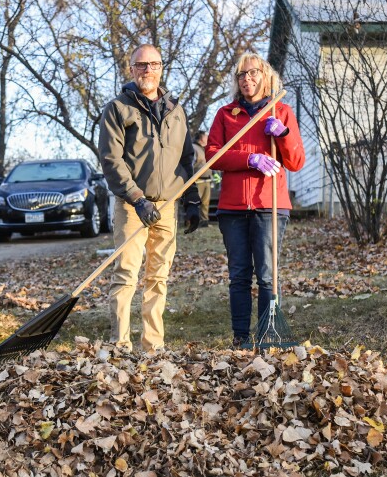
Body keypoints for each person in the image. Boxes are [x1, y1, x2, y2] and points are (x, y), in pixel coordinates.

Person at [98, 43, 202, 352]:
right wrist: (136, 198)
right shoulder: (118, 108)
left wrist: (193, 199)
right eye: (141, 65)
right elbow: (111, 159)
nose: (148, 70)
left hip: (167, 206)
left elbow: (187, 160)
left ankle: (152, 345)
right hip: (133, 207)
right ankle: (120, 345)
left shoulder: (176, 110)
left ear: (161, 69)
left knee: (158, 277)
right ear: (131, 70)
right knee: (126, 274)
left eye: (153, 65)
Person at [205, 52, 305, 348]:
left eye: (253, 73)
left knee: (266, 275)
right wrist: (250, 158)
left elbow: (297, 161)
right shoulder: (226, 114)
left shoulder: (281, 112)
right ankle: (241, 338)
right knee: (239, 275)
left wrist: (283, 134)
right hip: (233, 208)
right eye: (241, 75)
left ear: (266, 76)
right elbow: (212, 155)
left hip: (269, 205)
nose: (246, 79)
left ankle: (268, 334)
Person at [192, 131, 212, 227]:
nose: (208, 138)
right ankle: (192, 222)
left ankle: (204, 222)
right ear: (201, 138)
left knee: (205, 202)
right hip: (197, 180)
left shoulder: (205, 149)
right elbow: (190, 164)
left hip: (207, 180)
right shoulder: (194, 148)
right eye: (206, 136)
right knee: (195, 202)